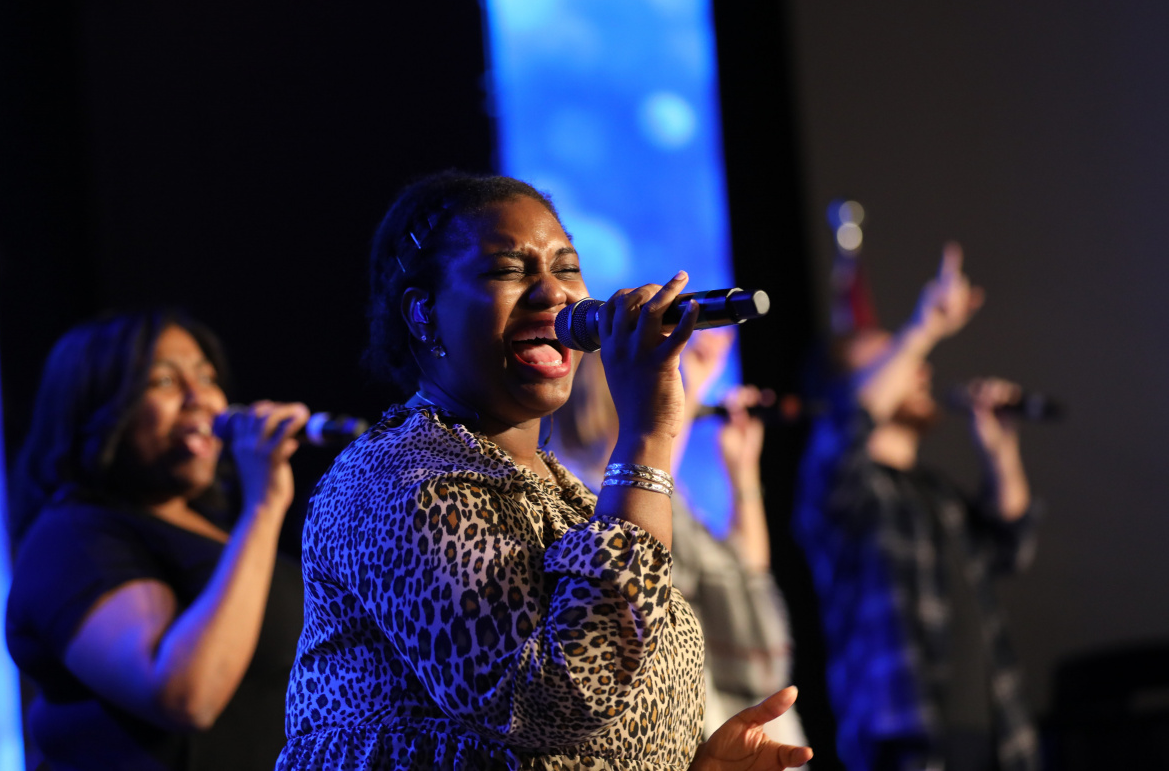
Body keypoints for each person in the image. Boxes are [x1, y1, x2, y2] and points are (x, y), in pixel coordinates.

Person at [276, 170, 813, 771]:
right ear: (424, 314)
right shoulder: (396, 482)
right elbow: (555, 698)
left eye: (566, 267)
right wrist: (648, 433)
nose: (554, 293)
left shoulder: (567, 496)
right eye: (509, 270)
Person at [6, 309, 308, 770]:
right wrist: (264, 506)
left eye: (206, 378)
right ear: (99, 409)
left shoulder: (215, 531)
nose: (200, 399)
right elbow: (186, 696)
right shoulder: (71, 539)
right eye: (164, 381)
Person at [794, 244, 1040, 771]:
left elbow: (1011, 547)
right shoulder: (840, 486)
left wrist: (1001, 453)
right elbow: (847, 425)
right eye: (892, 359)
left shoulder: (933, 491)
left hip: (996, 737)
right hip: (905, 739)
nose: (919, 368)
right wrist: (924, 326)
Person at [551, 331, 810, 750]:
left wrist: (742, 470)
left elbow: (747, 570)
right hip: (688, 728)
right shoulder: (593, 500)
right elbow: (647, 484)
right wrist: (688, 384)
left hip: (740, 707)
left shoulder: (672, 502)